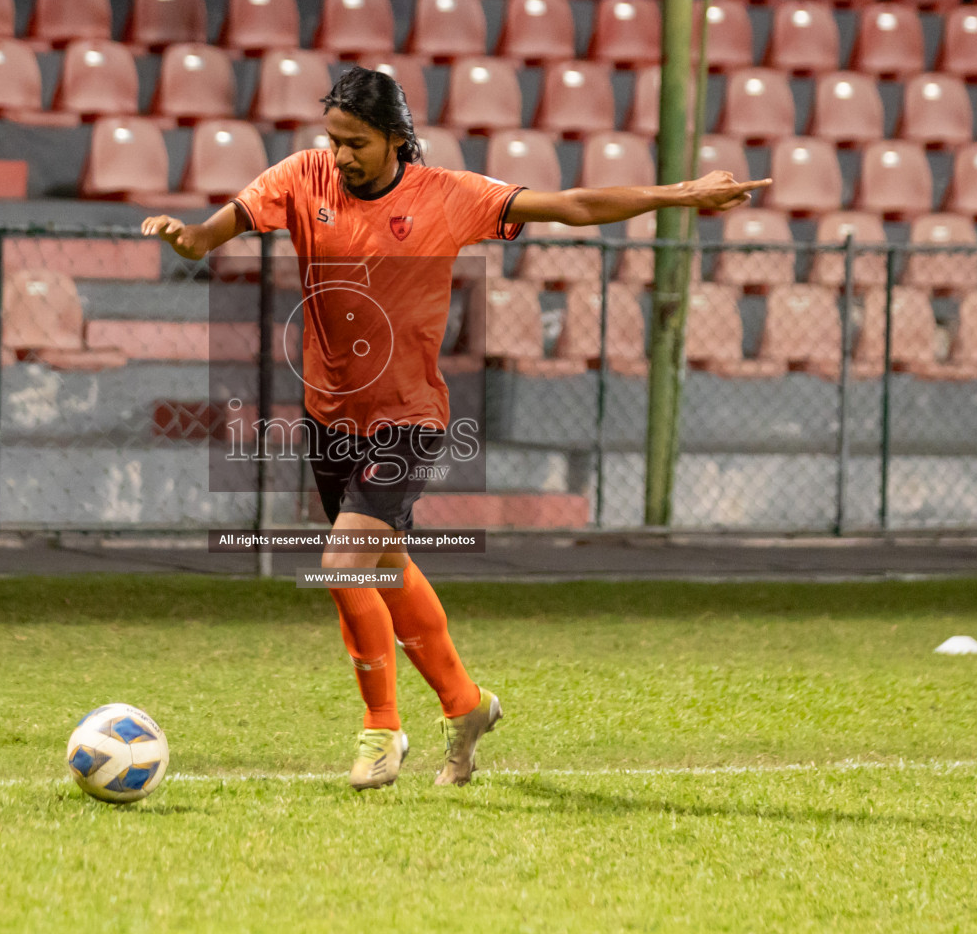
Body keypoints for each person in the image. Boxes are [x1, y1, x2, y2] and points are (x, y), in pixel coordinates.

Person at [143, 66, 766, 791]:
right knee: (380, 570)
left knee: (342, 566)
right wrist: (191, 239)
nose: (340, 156)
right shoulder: (304, 176)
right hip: (329, 416)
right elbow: (222, 226)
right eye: (334, 140)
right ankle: (466, 708)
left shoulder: (446, 196)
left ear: (397, 139)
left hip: (408, 418)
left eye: (356, 144)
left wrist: (682, 194)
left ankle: (381, 731)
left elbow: (572, 205)